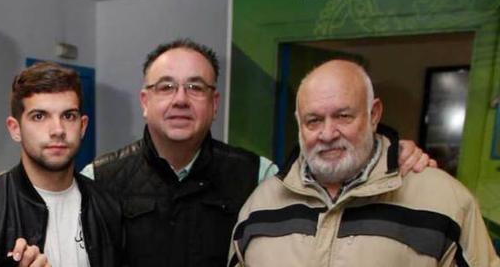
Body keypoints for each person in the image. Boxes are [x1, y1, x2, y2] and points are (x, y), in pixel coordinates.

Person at [85, 39, 434, 267]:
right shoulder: (98, 179)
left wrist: (388, 152)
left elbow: (329, 185)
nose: (180, 99)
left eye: (195, 87)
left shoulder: (260, 175)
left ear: (214, 103)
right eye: (166, 87)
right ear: (145, 102)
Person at [229, 59, 500, 266]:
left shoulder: (445, 201)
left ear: (373, 115)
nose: (327, 133)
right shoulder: (260, 206)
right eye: (313, 120)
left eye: (343, 116)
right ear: (299, 124)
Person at [0, 62, 123, 267]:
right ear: (15, 129)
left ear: (83, 126)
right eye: (39, 116)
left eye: (68, 116)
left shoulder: (108, 205)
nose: (58, 130)